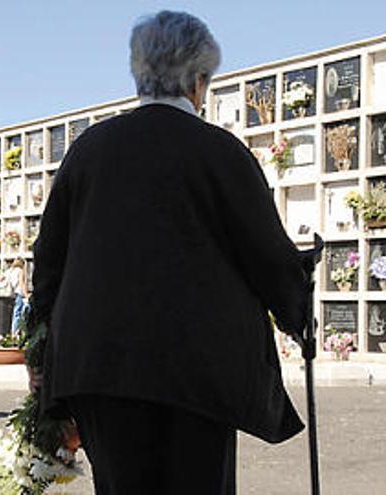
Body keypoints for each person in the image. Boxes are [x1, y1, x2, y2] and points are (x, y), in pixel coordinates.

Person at [31, 11, 313, 494]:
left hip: (101, 365)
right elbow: (266, 253)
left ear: (139, 73)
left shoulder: (89, 150)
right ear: (199, 81)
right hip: (196, 370)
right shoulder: (220, 152)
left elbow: (50, 260)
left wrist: (41, 355)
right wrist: (297, 309)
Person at [5, 258, 30, 335]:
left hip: (13, 294)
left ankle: (14, 332)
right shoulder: (20, 271)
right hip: (20, 294)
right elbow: (21, 284)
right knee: (20, 313)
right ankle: (16, 333)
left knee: (15, 313)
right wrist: (26, 295)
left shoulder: (10, 271)